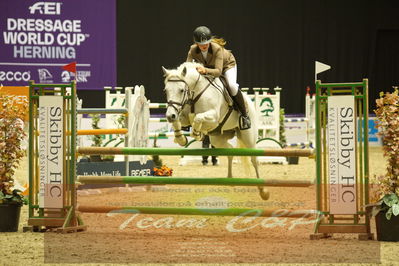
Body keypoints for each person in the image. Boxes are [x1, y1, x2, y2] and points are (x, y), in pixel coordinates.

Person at [186, 26, 251, 130]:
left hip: (226, 66)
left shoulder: (217, 49)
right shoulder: (192, 50)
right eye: (201, 44)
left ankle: (244, 115)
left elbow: (218, 72)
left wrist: (205, 70)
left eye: (207, 43)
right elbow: (187, 68)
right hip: (208, 68)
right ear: (196, 43)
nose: (205, 46)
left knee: (232, 86)